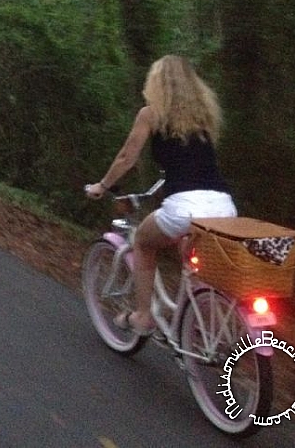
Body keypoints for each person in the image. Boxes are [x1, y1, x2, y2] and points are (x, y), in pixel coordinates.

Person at [86, 55, 237, 335]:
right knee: (189, 255)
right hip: (224, 206)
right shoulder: (203, 117)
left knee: (143, 243)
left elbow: (126, 157)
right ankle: (196, 320)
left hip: (185, 206)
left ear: (156, 83)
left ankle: (143, 317)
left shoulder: (151, 114)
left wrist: (103, 185)